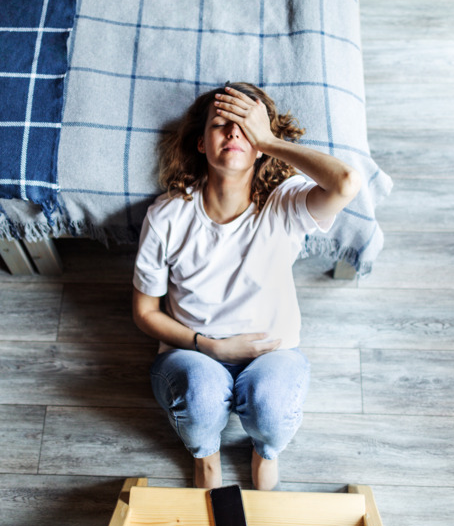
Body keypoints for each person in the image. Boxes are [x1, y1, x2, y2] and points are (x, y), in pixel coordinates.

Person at [132, 82, 361, 490]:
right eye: (222, 124)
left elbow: (345, 182)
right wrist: (211, 347)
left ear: (260, 146)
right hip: (193, 353)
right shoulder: (167, 216)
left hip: (272, 355)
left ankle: (265, 450)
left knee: (271, 407)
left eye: (246, 127)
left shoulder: (284, 203)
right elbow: (145, 312)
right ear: (201, 143)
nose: (234, 133)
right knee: (201, 398)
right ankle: (205, 454)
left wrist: (269, 138)